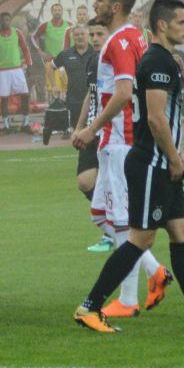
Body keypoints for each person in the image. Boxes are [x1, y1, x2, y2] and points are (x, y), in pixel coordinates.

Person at [74, 0, 184, 332]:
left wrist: (180, 152)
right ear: (162, 25)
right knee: (140, 239)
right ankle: (89, 307)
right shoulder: (157, 62)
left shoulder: (168, 59)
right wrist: (173, 157)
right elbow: (154, 118)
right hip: (151, 163)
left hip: (161, 159)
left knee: (182, 233)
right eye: (180, 21)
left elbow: (167, 118)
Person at [71, 0, 171, 318]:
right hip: (115, 141)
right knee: (103, 215)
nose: (94, 2)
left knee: (123, 223)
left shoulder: (119, 41)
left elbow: (125, 92)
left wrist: (90, 128)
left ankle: (127, 300)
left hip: (121, 142)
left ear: (114, 7)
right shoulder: (133, 36)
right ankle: (155, 271)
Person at [71, 18, 114, 253]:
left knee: (110, 185)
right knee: (85, 181)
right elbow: (92, 94)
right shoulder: (93, 61)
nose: (95, 39)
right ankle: (113, 231)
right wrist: (79, 127)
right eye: (93, 34)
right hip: (91, 131)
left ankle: (116, 232)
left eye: (100, 34)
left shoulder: (116, 61)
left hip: (109, 130)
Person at [0, 11, 31, 132]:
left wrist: (28, 63)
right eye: (3, 20)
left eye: (7, 20)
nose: (5, 22)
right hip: (2, 71)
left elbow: (25, 48)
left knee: (25, 94)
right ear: (0, 21)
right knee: (4, 98)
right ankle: (6, 125)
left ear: (10, 21)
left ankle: (26, 123)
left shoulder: (17, 33)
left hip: (17, 69)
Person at [53, 23, 95, 133]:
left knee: (93, 134)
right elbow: (50, 66)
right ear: (72, 37)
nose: (79, 37)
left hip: (94, 101)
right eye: (76, 35)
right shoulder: (66, 54)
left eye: (82, 34)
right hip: (73, 101)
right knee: (77, 134)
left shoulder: (96, 53)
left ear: (88, 35)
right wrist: (54, 85)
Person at [32, 3, 71, 101]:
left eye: (59, 10)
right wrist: (40, 52)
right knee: (53, 90)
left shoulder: (69, 25)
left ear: (62, 11)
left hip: (65, 61)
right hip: (51, 61)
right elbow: (33, 37)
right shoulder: (46, 25)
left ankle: (66, 110)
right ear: (51, 12)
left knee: (66, 88)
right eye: (55, 10)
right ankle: (53, 109)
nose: (57, 12)